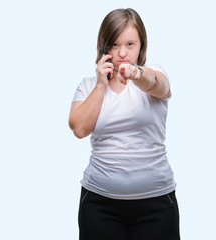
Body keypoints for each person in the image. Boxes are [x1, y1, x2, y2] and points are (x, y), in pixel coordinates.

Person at [68, 8, 180, 240]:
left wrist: (137, 73)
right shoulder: (88, 86)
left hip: (156, 203)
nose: (122, 53)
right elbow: (79, 129)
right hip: (99, 204)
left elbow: (157, 84)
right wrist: (101, 85)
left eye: (130, 44)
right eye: (115, 44)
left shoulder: (153, 74)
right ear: (104, 47)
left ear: (141, 46)